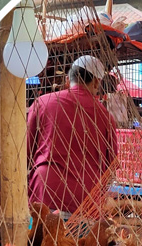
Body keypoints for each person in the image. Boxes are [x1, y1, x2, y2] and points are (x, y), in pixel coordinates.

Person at [27, 55, 117, 216]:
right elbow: (111, 166)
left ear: (68, 80)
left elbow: (26, 151)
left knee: (41, 240)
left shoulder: (42, 103)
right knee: (78, 242)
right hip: (85, 198)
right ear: (97, 82)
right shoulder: (105, 116)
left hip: (46, 191)